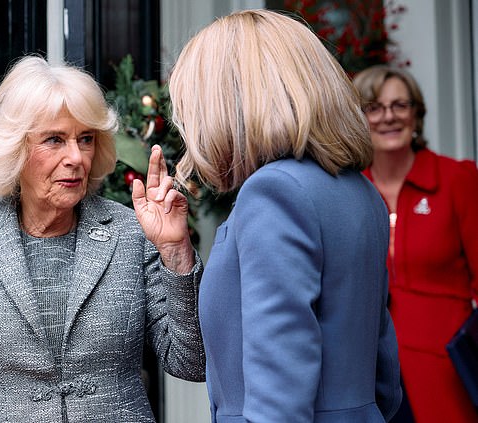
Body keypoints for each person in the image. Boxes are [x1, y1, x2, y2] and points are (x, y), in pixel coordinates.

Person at [0, 55, 205, 422]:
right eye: (54, 140)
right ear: (15, 149)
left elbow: (193, 362)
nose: (76, 157)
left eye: (85, 139)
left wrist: (176, 250)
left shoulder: (131, 233)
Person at [168, 9, 402, 422]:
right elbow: (383, 371)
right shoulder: (360, 191)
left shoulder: (273, 193)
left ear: (229, 103)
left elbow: (279, 392)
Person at [353, 65, 478, 423]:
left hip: (448, 369)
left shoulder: (457, 180)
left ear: (416, 114)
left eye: (400, 105)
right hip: (367, 370)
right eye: (374, 107)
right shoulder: (349, 191)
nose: (388, 117)